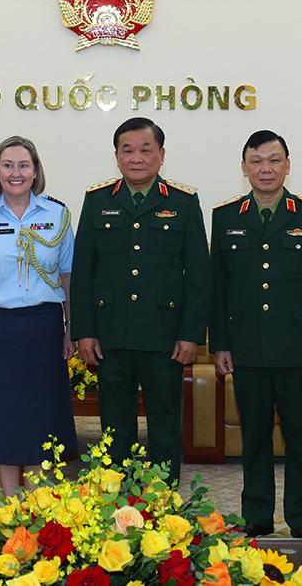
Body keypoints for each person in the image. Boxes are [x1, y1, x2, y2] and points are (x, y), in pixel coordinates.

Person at [209, 129, 302, 540]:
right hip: (246, 348)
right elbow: (218, 287)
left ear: (287, 165)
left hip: (299, 348)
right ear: (244, 168)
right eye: (257, 161)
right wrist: (220, 344)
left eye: (274, 160)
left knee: (301, 439)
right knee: (255, 440)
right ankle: (257, 516)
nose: (266, 168)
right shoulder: (226, 216)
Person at [71, 117, 209, 481]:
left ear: (161, 155)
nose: (136, 158)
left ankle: (163, 502)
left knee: (164, 427)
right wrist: (84, 331)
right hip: (111, 335)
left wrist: (191, 334)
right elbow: (83, 271)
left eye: (146, 150)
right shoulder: (98, 200)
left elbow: (198, 275)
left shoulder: (183, 202)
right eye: (127, 150)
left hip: (165, 336)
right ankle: (115, 502)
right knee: (114, 429)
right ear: (116, 156)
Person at [0, 136, 78, 495]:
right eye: (7, 165)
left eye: (24, 165)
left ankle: (37, 501)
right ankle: (11, 504)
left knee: (41, 417)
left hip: (44, 327)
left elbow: (68, 277)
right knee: (3, 418)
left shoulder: (57, 215)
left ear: (35, 171)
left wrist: (71, 329)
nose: (16, 173)